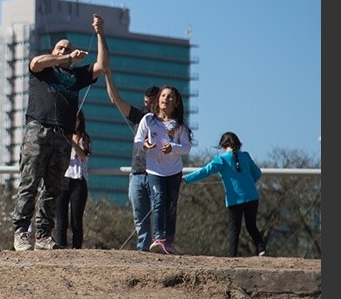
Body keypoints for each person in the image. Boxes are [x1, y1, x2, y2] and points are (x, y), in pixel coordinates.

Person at [12, 13, 109, 252]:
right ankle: (21, 232)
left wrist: (100, 33)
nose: (64, 50)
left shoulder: (75, 77)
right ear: (54, 51)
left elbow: (102, 66)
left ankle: (44, 235)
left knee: (53, 187)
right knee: (30, 182)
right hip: (38, 130)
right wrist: (64, 57)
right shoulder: (42, 71)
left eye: (68, 48)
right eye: (59, 47)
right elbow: (35, 62)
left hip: (63, 136)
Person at [182, 132, 268, 257]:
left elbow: (205, 171)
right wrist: (247, 182)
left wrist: (186, 178)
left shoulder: (221, 159)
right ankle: (262, 249)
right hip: (252, 196)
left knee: (235, 229)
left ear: (223, 146)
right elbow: (257, 174)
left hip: (234, 198)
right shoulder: (246, 156)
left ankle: (232, 255)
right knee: (251, 225)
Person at [104, 68, 160, 251]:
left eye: (152, 103)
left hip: (157, 173)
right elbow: (115, 100)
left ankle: (161, 245)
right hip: (136, 173)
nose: (149, 106)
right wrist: (107, 75)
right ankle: (143, 248)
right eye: (146, 103)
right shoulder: (140, 116)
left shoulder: (167, 121)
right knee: (139, 214)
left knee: (160, 212)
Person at [133, 85, 192, 255]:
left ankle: (169, 240)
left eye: (170, 97)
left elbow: (186, 147)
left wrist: (172, 148)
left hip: (174, 171)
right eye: (163, 95)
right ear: (158, 100)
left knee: (171, 205)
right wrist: (144, 144)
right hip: (154, 170)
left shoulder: (179, 125)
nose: (166, 99)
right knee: (158, 201)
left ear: (176, 103)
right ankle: (158, 238)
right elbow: (137, 140)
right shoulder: (148, 120)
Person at [53, 110, 91, 249]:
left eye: (77, 120)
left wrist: (73, 143)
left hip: (78, 181)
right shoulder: (61, 138)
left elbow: (83, 156)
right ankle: (61, 246)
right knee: (61, 219)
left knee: (76, 219)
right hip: (63, 179)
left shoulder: (84, 139)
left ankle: (77, 247)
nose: (75, 122)